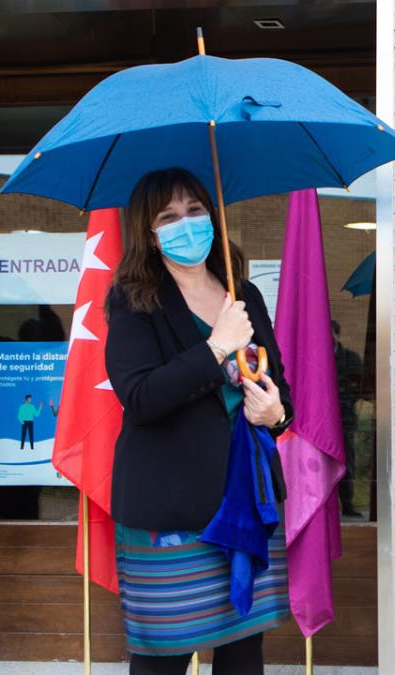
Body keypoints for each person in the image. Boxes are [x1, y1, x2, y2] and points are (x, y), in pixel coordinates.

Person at [105, 168, 294, 675]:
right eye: (168, 216)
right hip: (171, 507)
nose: (186, 223)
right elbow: (140, 397)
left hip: (246, 497)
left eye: (195, 210)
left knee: (242, 653)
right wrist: (215, 346)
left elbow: (279, 388)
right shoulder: (132, 299)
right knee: (163, 657)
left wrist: (276, 414)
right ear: (148, 232)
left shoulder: (243, 294)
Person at [332, 319, 363, 517]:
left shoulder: (350, 358)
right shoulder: (315, 357)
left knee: (347, 461)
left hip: (344, 418)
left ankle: (348, 503)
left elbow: (361, 384)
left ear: (337, 335)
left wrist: (346, 399)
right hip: (321, 421)